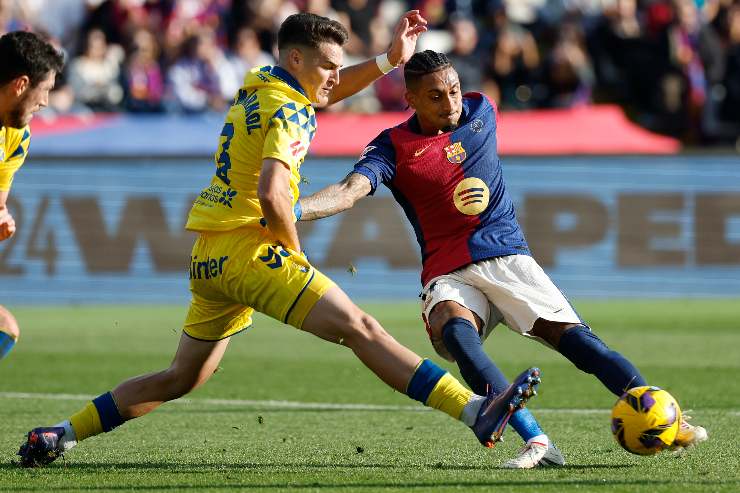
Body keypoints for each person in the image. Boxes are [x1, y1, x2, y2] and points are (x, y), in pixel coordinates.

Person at [17, 14, 540, 468]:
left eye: (339, 65)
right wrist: (292, 251)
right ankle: (475, 410)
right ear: (296, 59)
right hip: (251, 250)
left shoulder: (260, 82)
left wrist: (385, 61)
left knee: (180, 377)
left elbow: (327, 92)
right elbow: (273, 194)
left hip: (210, 256)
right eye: (328, 65)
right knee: (360, 328)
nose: (335, 76)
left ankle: (60, 433)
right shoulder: (291, 112)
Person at [295, 50, 709, 468]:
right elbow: (349, 190)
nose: (450, 103)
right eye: (435, 96)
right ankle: (537, 443)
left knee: (582, 346)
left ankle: (665, 416)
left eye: (453, 91)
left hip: (507, 257)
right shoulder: (392, 146)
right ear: (412, 99)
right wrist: (291, 210)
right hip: (448, 269)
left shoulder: (480, 110)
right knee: (457, 335)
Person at [0, 31, 64, 361]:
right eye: (46, 90)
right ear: (22, 84)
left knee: (4, 328)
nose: (46, 103)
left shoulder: (17, 136)